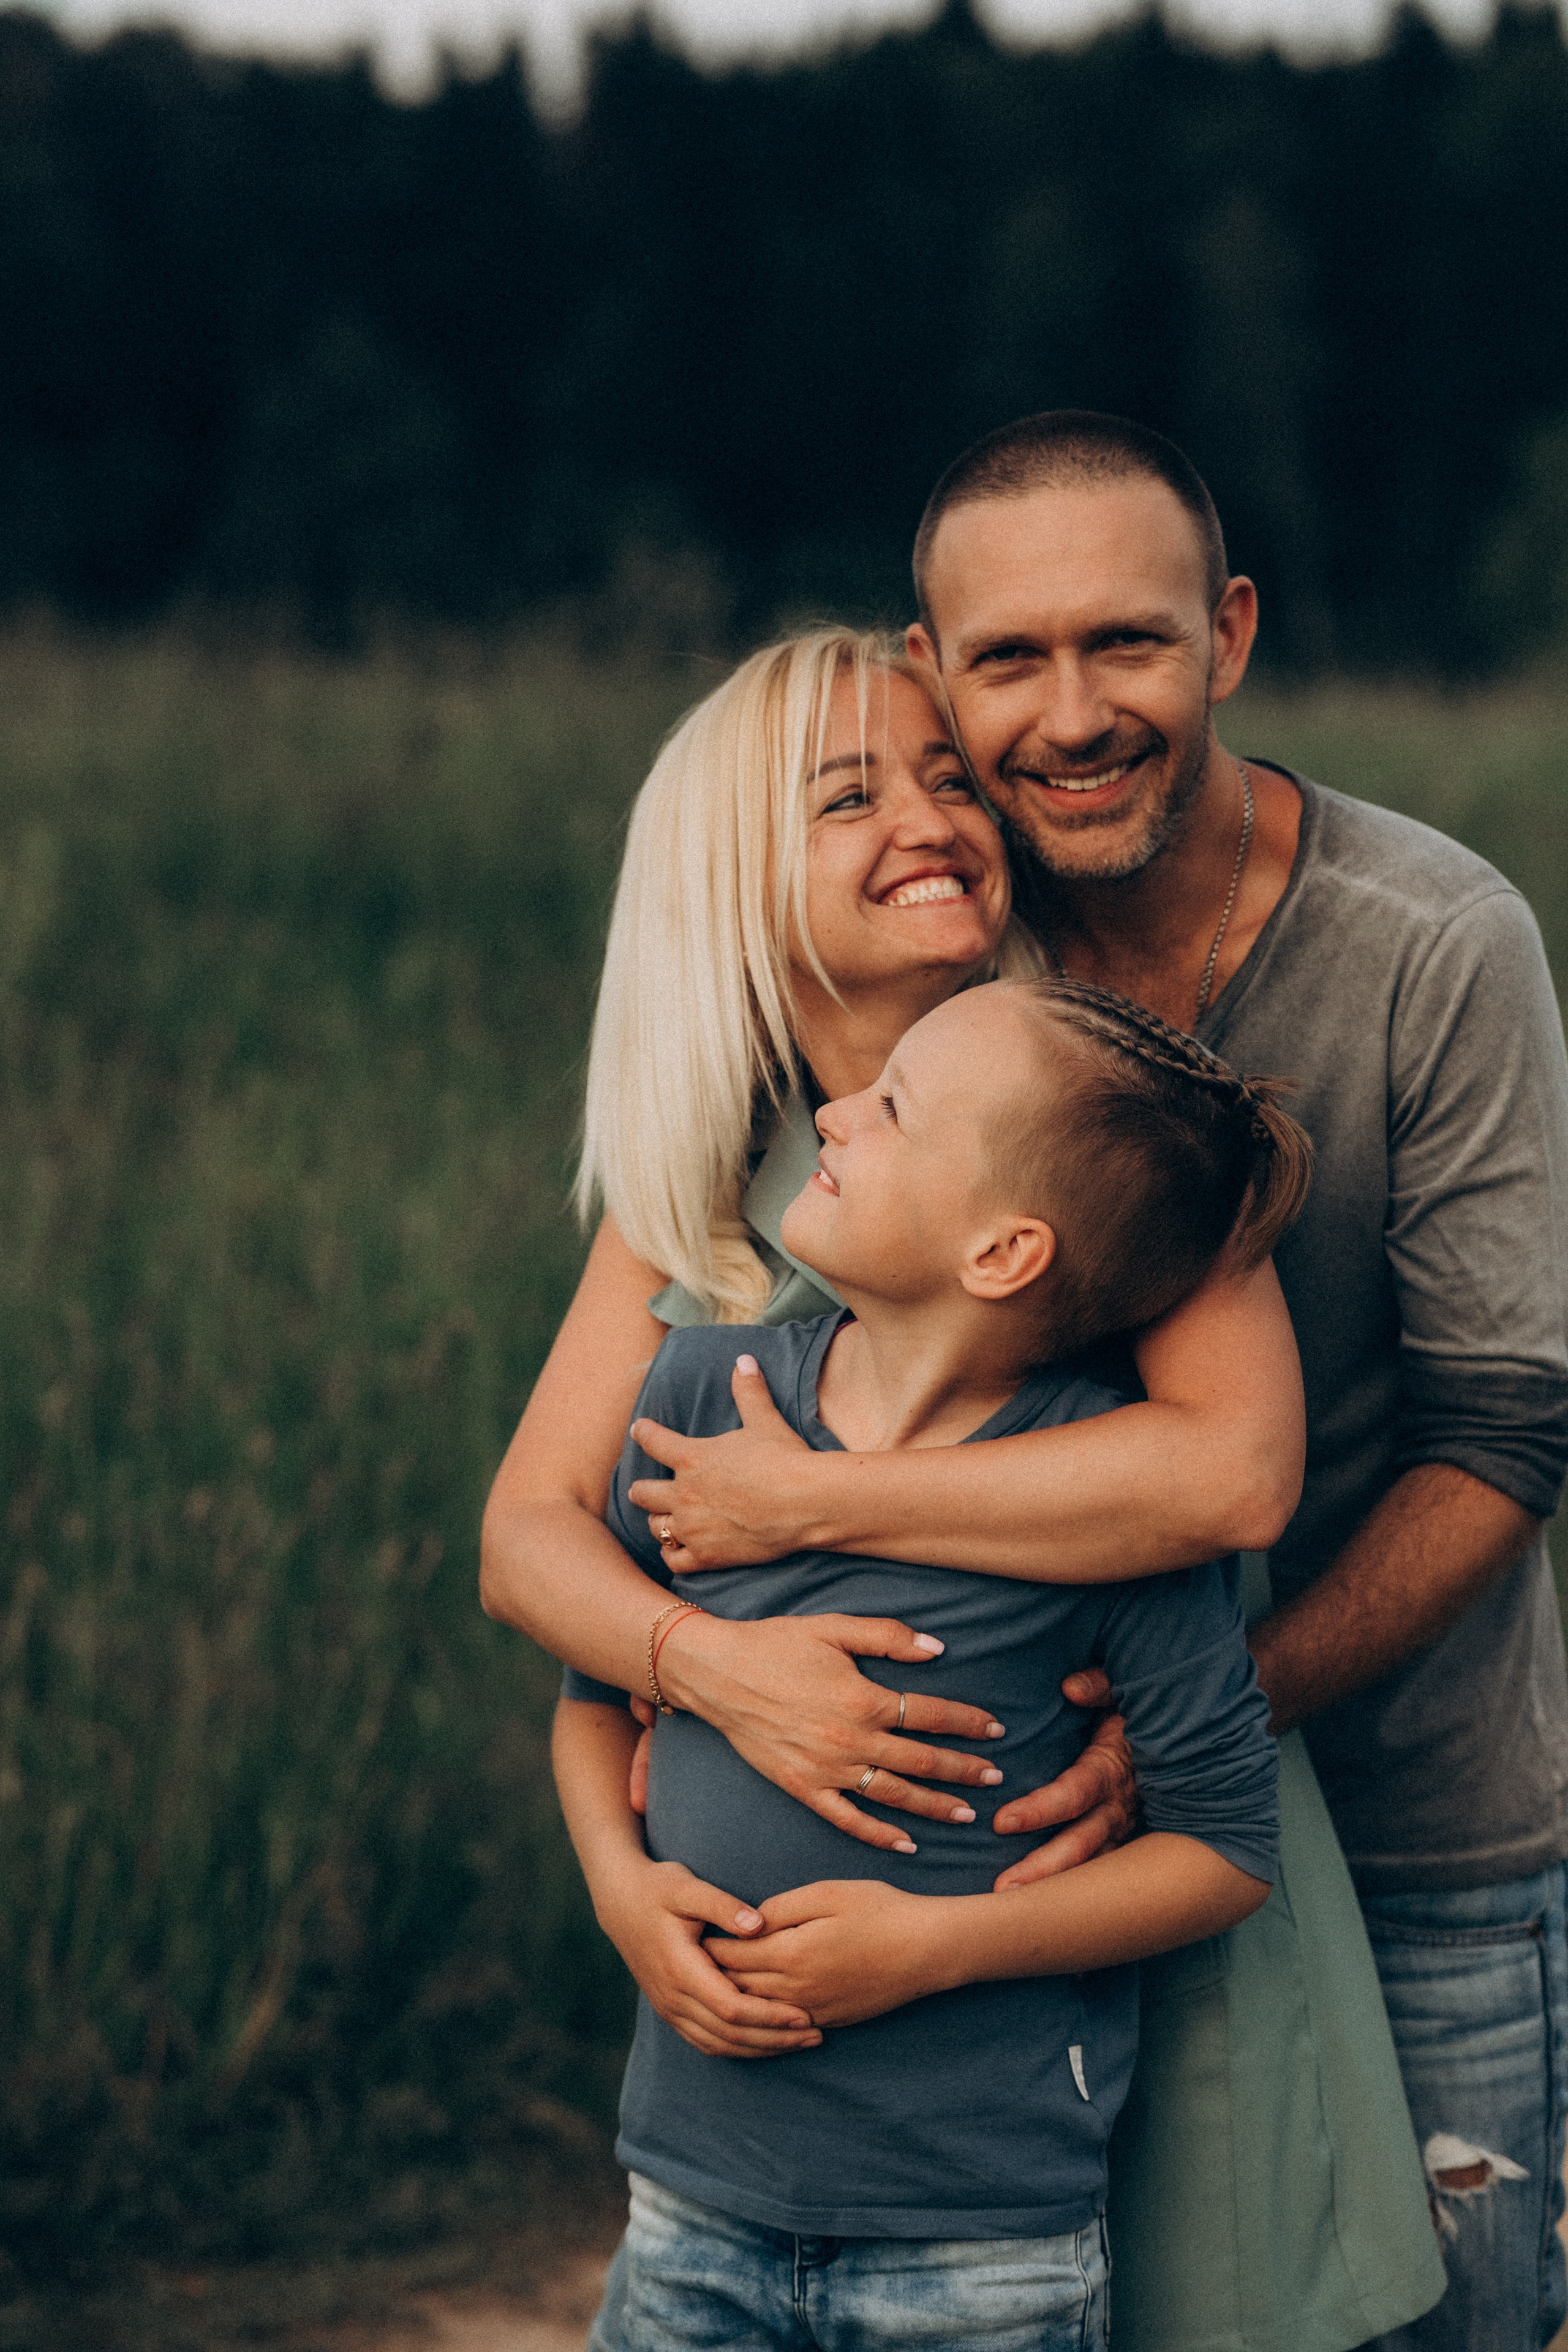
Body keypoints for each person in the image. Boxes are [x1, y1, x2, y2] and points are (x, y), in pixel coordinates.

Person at [642, 410, 1568, 2351]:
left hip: (1406, 1827)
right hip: (1024, 1867)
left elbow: (1504, 1430)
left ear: (1227, 633)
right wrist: (701, 1662)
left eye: (1128, 645)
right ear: (936, 678)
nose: (1074, 714)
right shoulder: (942, 971)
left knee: (1441, 2323)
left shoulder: (1436, 943)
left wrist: (1179, 1738)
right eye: (1009, 661)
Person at [482, 628, 1444, 2350]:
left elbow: (1232, 1475)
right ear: (736, 878)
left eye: (947, 776)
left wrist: (806, 1511)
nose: (927, 815)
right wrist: (702, 1679)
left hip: (1066, 1921)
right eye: (848, 794)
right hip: (760, 2111)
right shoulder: (718, 1164)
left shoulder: (1084, 1119)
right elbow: (529, 1537)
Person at [554, 974, 1290, 2351]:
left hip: (977, 2255)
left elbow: (1225, 1851)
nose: (833, 1111)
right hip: (689, 2204)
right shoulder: (701, 1398)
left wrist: (937, 1949)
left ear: (1002, 1253)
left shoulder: (1104, 1510)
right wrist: (616, 1884)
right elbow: (595, 1699)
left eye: (891, 1107)